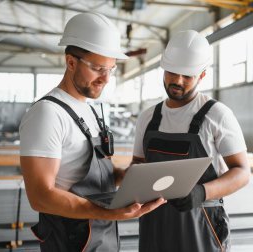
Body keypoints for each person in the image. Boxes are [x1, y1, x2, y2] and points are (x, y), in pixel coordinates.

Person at [19, 12, 165, 252]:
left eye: (111, 69)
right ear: (71, 62)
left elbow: (95, 174)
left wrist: (126, 176)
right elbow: (40, 196)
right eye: (98, 68)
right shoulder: (47, 114)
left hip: (103, 234)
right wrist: (107, 211)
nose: (106, 79)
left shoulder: (90, 110)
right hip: (70, 239)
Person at [132, 30, 250, 252]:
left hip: (201, 225)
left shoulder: (217, 115)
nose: (177, 81)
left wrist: (201, 192)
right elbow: (137, 165)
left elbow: (242, 172)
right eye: (173, 72)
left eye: (187, 76)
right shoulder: (148, 117)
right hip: (154, 224)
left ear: (202, 76)